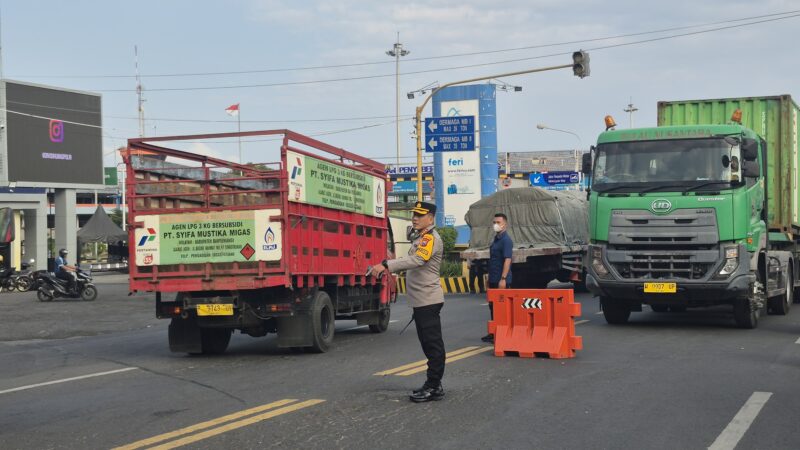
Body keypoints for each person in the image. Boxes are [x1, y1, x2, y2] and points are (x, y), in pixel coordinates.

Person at [370, 201, 445, 403]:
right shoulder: (421, 237)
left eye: (420, 215)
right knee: (428, 345)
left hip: (428, 300)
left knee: (433, 345)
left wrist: (387, 264)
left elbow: (417, 261)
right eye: (414, 214)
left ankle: (433, 385)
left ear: (430, 218)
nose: (415, 218)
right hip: (422, 301)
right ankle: (434, 384)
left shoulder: (429, 239)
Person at [482, 213, 513, 343]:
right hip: (494, 278)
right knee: (492, 306)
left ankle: (503, 333)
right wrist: (490, 278)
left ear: (504, 224)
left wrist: (503, 279)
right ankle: (494, 332)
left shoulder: (506, 240)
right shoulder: (496, 239)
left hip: (502, 279)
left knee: (503, 308)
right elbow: (493, 260)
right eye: (494, 222)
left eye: (498, 222)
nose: (496, 224)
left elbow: (507, 259)